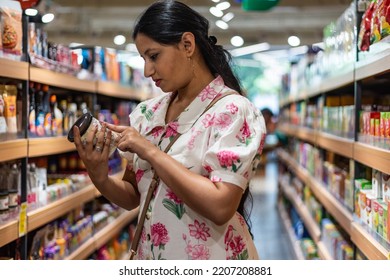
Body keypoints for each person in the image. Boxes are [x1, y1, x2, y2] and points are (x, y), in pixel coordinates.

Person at [72, 0, 266, 260]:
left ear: (187, 45)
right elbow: (133, 197)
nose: (147, 70)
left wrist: (150, 151)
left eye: (154, 56)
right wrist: (100, 176)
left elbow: (221, 206)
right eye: (143, 58)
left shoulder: (234, 112)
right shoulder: (147, 114)